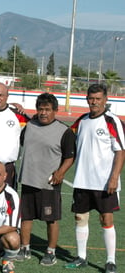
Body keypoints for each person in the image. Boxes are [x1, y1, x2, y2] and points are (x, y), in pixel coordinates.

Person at [65, 84, 125, 273]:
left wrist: (114, 177)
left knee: (106, 219)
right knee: (80, 217)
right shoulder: (81, 121)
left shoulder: (111, 121)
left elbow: (121, 151)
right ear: (87, 99)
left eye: (98, 98)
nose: (94, 102)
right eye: (91, 98)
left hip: (105, 181)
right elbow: (67, 138)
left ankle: (110, 261)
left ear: (105, 99)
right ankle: (81, 257)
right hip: (83, 179)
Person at [16, 93, 76, 266]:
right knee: (26, 217)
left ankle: (50, 252)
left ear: (55, 111)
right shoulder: (29, 126)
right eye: (40, 109)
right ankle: (24, 247)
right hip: (28, 179)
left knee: (51, 219)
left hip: (49, 183)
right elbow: (23, 144)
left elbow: (70, 156)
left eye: (47, 109)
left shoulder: (64, 131)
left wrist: (61, 172)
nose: (43, 113)